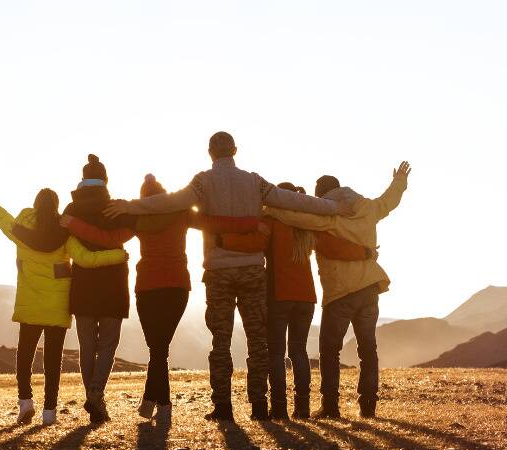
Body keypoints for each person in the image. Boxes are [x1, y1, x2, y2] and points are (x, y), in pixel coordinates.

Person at [104, 131, 351, 422]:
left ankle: (223, 408)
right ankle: (259, 407)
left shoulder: (202, 181)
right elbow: (294, 201)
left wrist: (130, 205)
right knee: (257, 341)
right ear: (235, 150)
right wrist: (335, 208)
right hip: (251, 270)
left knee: (220, 342)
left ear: (210, 153)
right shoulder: (254, 181)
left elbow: (169, 202)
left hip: (219, 271)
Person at [62, 174, 260, 425]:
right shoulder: (181, 212)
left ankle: (158, 404)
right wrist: (251, 223)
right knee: (159, 350)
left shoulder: (138, 218)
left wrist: (72, 224)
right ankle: (155, 405)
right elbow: (214, 223)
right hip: (177, 287)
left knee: (157, 350)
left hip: (148, 288)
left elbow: (107, 239)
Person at [0, 175, 128, 426]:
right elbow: (86, 259)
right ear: (56, 207)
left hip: (30, 305)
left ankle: (25, 402)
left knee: (25, 355)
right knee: (52, 361)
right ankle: (50, 411)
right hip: (57, 307)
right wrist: (117, 255)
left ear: (36, 206)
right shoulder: (65, 235)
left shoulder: (18, 229)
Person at [261, 161, 410, 419]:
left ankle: (330, 407)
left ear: (320, 196)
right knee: (368, 348)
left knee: (330, 350)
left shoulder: (327, 216)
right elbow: (389, 201)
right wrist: (399, 181)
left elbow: (298, 217)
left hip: (340, 292)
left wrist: (270, 208)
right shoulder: (368, 208)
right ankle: (368, 407)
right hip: (369, 287)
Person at [219, 182, 374, 420]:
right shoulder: (307, 225)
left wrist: (223, 240)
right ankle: (302, 408)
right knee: (299, 352)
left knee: (276, 353)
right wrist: (365, 252)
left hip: (279, 296)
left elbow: (254, 244)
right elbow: (334, 247)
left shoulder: (272, 221)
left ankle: (279, 408)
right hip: (306, 298)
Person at [62, 154, 139, 425]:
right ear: (105, 180)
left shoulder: (71, 210)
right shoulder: (116, 208)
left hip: (82, 284)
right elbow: (131, 230)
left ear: (82, 180)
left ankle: (92, 395)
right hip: (113, 283)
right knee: (107, 345)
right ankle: (96, 394)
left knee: (86, 345)